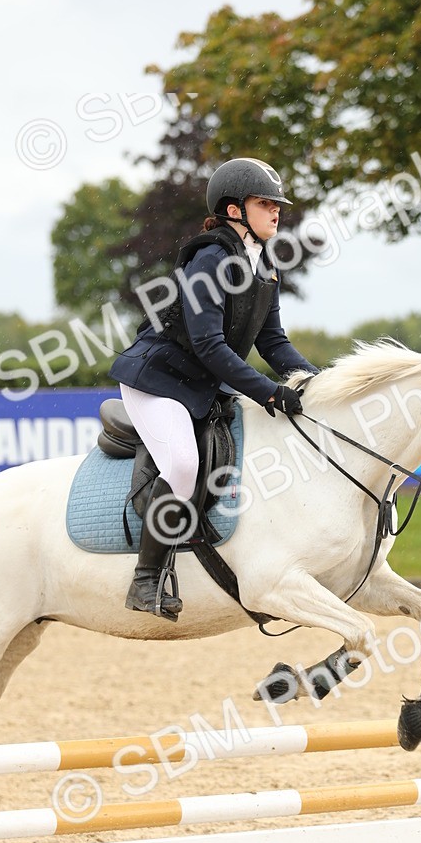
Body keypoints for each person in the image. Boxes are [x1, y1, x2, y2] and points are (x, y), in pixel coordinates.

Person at [109, 157, 319, 622]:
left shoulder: (264, 267)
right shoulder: (211, 258)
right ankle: (145, 581)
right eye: (265, 203)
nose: (276, 211)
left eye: (277, 204)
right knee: (183, 466)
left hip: (200, 384)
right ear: (233, 210)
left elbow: (273, 342)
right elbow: (208, 343)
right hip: (157, 383)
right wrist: (268, 391)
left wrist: (313, 382)